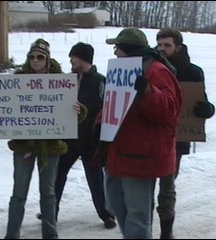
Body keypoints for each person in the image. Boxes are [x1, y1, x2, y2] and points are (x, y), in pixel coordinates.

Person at [98, 27, 183, 238]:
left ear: (128, 48)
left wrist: (147, 91)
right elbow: (112, 104)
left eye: (118, 47)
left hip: (140, 156)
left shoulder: (157, 71)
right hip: (116, 151)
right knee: (116, 205)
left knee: (137, 215)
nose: (115, 52)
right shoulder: (119, 71)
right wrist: (98, 123)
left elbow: (171, 110)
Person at [4, 38, 87, 239]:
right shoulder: (18, 80)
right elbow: (1, 107)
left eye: (40, 57)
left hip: (50, 147)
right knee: (18, 194)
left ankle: (50, 234)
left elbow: (79, 114)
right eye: (32, 57)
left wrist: (78, 110)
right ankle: (12, 234)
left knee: (48, 193)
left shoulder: (61, 82)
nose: (35, 60)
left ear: (47, 59)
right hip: (24, 146)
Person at [155, 27, 215, 239]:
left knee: (167, 186)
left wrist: (207, 109)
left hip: (176, 139)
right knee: (144, 185)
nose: (162, 49)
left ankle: (166, 232)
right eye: (159, 44)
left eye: (167, 45)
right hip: (150, 136)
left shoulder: (192, 71)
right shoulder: (150, 68)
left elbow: (201, 102)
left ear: (178, 47)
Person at [53, 42, 117, 229]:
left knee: (95, 177)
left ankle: (106, 214)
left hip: (90, 138)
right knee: (58, 174)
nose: (70, 60)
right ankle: (51, 210)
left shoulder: (100, 81)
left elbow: (107, 108)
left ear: (83, 58)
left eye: (73, 57)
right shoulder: (66, 81)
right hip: (69, 137)